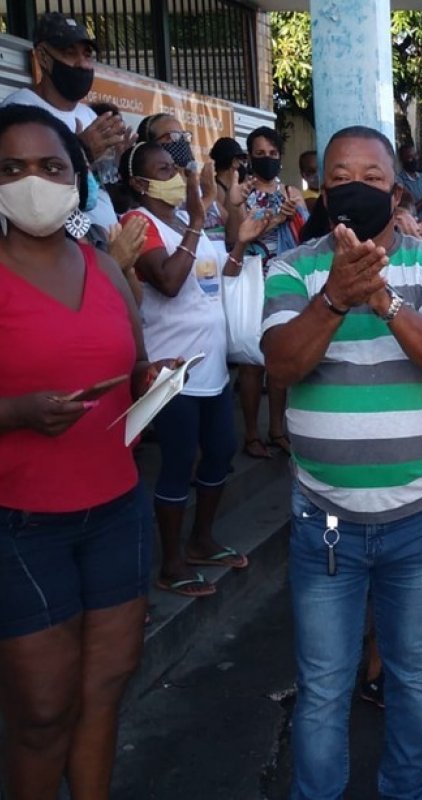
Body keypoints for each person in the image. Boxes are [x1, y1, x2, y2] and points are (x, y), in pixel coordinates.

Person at [261, 125, 422, 800]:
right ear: (323, 192)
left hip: (417, 514)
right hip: (326, 518)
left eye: (373, 178)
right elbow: (282, 365)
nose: (356, 188)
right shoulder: (291, 269)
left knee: (411, 674)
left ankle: (406, 791)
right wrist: (334, 299)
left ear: (397, 191)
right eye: (341, 178)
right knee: (324, 682)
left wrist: (383, 302)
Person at [0, 104, 166, 800]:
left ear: (77, 180)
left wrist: (155, 381)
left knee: (105, 688)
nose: (32, 182)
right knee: (42, 712)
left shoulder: (104, 267)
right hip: (20, 523)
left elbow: (136, 366)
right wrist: (18, 413)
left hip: (117, 510)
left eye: (50, 167)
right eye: (11, 169)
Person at [120, 142, 266, 598]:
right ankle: (171, 562)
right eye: (164, 170)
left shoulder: (186, 220)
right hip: (172, 370)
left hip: (211, 365)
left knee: (220, 451)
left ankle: (202, 540)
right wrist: (199, 221)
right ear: (140, 183)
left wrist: (240, 242)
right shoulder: (138, 224)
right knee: (179, 461)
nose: (178, 177)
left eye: (177, 168)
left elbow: (219, 277)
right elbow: (167, 280)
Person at [1, 13, 134, 230]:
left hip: (103, 241)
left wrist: (120, 164)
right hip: (58, 241)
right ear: (42, 56)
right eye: (69, 53)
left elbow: (104, 194)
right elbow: (33, 195)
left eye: (87, 54)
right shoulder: (20, 112)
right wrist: (81, 150)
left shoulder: (89, 116)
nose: (82, 64)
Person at [226, 126, 307, 459]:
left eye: (273, 154)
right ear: (250, 156)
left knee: (279, 359)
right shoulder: (241, 195)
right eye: (260, 154)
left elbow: (308, 235)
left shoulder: (291, 192)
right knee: (251, 364)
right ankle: (250, 434)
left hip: (284, 281)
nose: (268, 159)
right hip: (253, 281)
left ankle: (276, 429)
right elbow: (235, 238)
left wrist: (296, 212)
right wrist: (272, 219)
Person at [205, 136, 248, 239]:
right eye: (241, 160)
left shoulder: (214, 188)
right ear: (234, 161)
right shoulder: (218, 192)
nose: (242, 165)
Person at [398, 143, 422, 222]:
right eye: (410, 157)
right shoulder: (400, 180)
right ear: (402, 160)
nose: (414, 159)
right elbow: (410, 212)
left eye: (415, 156)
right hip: (413, 227)